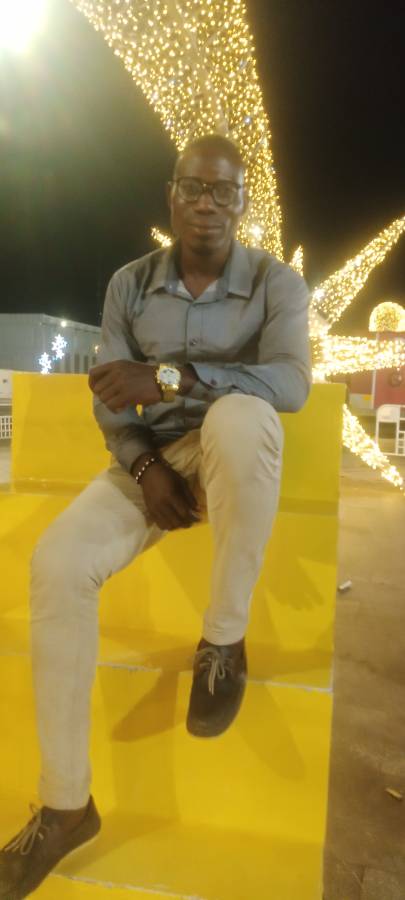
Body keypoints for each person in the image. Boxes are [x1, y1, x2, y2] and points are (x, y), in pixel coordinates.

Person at [0, 133, 311, 898]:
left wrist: (171, 377)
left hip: (231, 451)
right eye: (193, 187)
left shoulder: (274, 284)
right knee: (56, 565)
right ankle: (66, 806)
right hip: (149, 463)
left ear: (242, 203)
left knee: (242, 417)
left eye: (224, 191)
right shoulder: (129, 285)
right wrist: (144, 469)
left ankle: (222, 641)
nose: (207, 203)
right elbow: (113, 397)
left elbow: (289, 385)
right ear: (171, 195)